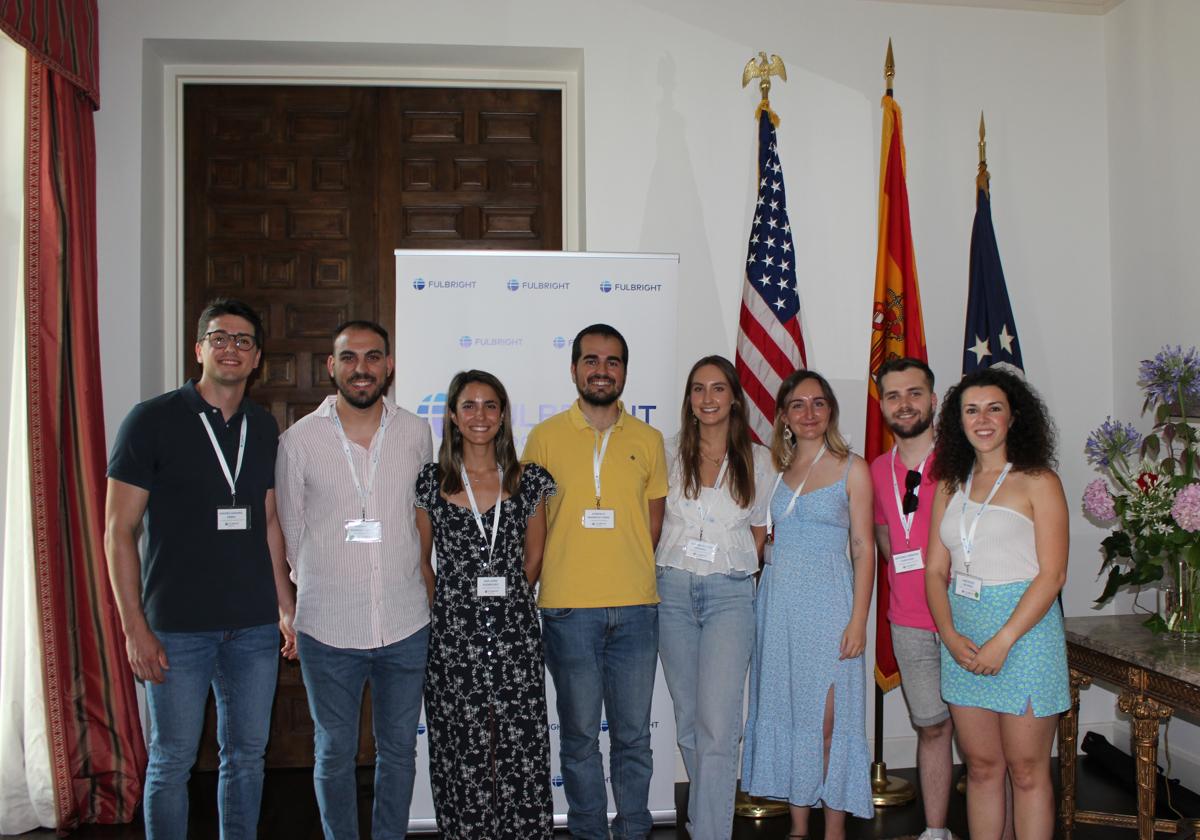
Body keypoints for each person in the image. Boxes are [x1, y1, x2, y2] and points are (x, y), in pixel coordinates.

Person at [104, 298, 294, 840]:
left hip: (253, 627)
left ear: (256, 357)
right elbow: (118, 531)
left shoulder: (263, 427)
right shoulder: (152, 420)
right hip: (176, 627)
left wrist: (285, 606)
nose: (230, 348)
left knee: (246, 758)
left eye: (242, 341)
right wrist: (133, 626)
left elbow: (269, 523)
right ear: (199, 349)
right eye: (219, 337)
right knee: (171, 761)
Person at [274, 320, 432, 840]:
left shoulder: (416, 432)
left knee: (398, 750)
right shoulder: (298, 440)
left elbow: (421, 520)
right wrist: (304, 598)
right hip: (328, 629)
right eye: (349, 358)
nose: (360, 368)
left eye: (372, 357)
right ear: (331, 367)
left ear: (388, 366)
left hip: (405, 623)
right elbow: (292, 531)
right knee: (334, 751)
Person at [522, 323, 668, 840]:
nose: (601, 370)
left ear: (624, 371)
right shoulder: (543, 438)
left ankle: (632, 831)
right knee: (580, 737)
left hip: (636, 608)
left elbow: (653, 524)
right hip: (567, 609)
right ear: (575, 369)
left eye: (612, 361)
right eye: (591, 360)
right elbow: (532, 524)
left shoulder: (649, 440)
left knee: (633, 738)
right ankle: (587, 831)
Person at [925, 367, 1069, 840]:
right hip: (962, 638)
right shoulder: (950, 482)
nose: (982, 420)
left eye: (993, 409)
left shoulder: (1038, 481)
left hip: (1024, 637)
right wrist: (948, 635)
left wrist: (1004, 640)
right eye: (971, 410)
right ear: (957, 421)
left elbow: (1053, 575)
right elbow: (934, 571)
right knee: (983, 769)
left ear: (1013, 417)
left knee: (1027, 772)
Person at [414, 369, 556, 839]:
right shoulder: (431, 482)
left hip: (516, 637)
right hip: (454, 641)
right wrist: (454, 612)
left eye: (490, 405)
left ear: (503, 415)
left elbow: (534, 556)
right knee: (463, 747)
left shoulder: (528, 479)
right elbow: (422, 562)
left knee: (520, 744)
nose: (480, 415)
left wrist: (508, 602)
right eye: (469, 406)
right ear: (452, 416)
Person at [742, 369, 875, 839]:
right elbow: (755, 537)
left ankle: (833, 828)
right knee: (790, 714)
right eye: (798, 404)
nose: (809, 413)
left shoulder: (851, 467)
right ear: (783, 416)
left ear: (831, 410)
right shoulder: (772, 470)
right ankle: (800, 827)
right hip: (777, 606)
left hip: (831, 602)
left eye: (819, 403)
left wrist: (859, 619)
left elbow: (863, 547)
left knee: (829, 722)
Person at [655, 355, 771, 840]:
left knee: (720, 727)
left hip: (729, 594)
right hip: (673, 591)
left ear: (734, 397)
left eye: (718, 389)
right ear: (689, 399)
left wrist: (735, 574)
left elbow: (761, 532)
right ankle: (705, 818)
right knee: (688, 722)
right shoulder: (666, 451)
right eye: (698, 389)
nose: (707, 398)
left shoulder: (761, 459)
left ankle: (709, 832)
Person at [869, 358, 954, 840]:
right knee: (931, 728)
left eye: (915, 393)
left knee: (987, 745)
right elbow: (886, 538)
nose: (905, 404)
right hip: (908, 622)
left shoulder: (962, 462)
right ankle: (936, 831)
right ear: (883, 404)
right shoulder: (878, 469)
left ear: (934, 400)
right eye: (895, 395)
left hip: (964, 622)